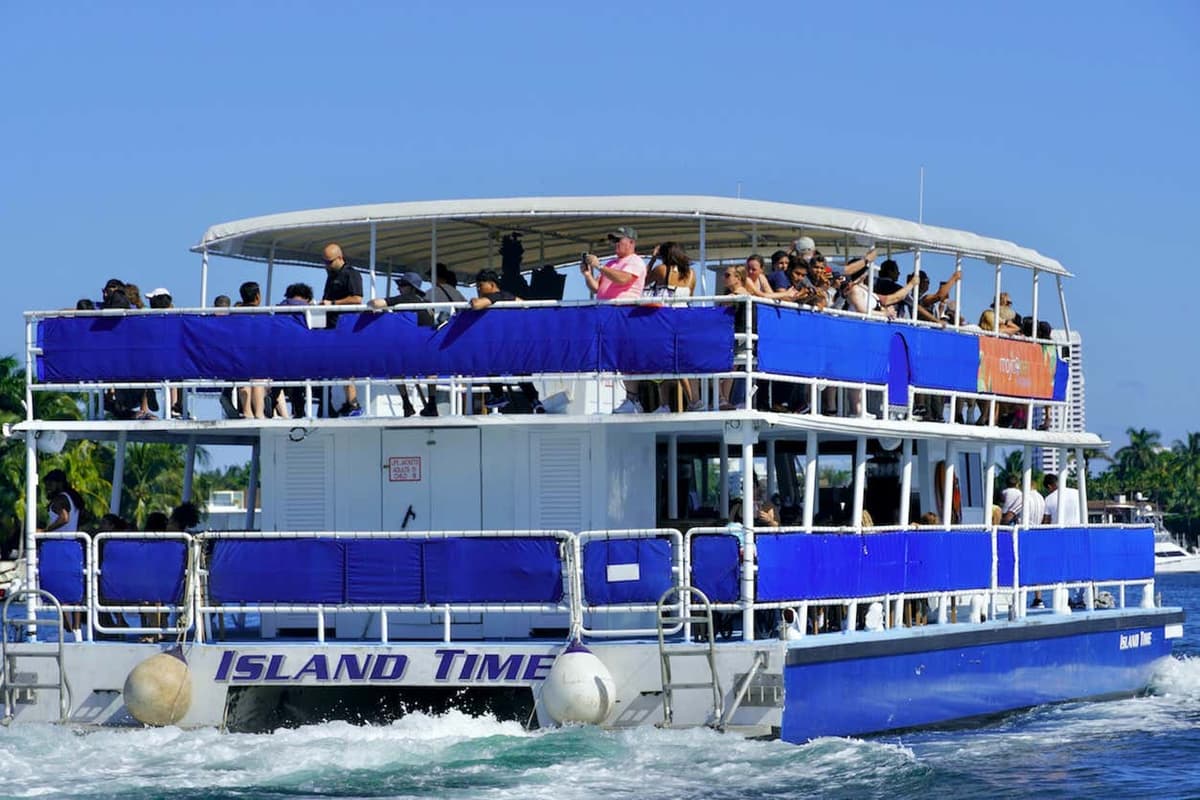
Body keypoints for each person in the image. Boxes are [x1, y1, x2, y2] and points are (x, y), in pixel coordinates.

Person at [581, 227, 648, 413]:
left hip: (625, 314)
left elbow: (623, 280)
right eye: (614, 241)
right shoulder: (612, 263)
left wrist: (599, 267)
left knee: (627, 356)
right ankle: (630, 399)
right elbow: (598, 288)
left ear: (631, 243)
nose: (616, 244)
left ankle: (634, 400)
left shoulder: (635, 261)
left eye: (620, 240)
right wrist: (587, 274)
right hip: (608, 314)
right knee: (618, 357)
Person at [470, 269, 544, 414]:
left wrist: (473, 301)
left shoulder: (494, 297)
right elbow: (525, 304)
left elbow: (477, 305)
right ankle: (535, 401)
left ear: (491, 284)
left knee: (490, 364)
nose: (478, 289)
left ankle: (498, 395)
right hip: (516, 343)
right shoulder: (510, 296)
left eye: (480, 285)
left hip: (501, 345)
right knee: (522, 375)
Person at [369, 272, 438, 417]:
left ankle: (406, 404)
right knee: (430, 370)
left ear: (411, 288)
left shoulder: (406, 299)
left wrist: (369, 305)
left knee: (393, 365)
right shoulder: (428, 304)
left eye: (402, 285)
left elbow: (377, 303)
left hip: (409, 350)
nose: (398, 288)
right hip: (427, 351)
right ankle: (432, 403)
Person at [646, 242, 700, 412]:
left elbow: (642, 279)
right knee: (683, 363)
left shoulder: (662, 270)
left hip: (664, 320)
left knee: (664, 363)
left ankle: (664, 404)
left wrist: (652, 258)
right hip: (684, 320)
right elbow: (689, 295)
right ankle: (694, 401)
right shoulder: (691, 274)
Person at [320, 242, 364, 416]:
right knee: (331, 366)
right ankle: (333, 404)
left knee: (346, 365)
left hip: (346, 326)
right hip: (330, 326)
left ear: (339, 258)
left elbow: (357, 298)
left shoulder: (351, 274)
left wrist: (333, 303)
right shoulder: (331, 275)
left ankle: (353, 403)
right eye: (324, 262)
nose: (326, 265)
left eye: (329, 262)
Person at [41, 469, 85, 636]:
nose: (48, 487)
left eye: (51, 483)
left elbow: (64, 517)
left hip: (59, 546)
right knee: (74, 590)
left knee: (60, 590)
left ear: (59, 482)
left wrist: (46, 531)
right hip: (73, 545)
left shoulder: (60, 499)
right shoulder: (73, 498)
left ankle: (69, 627)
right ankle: (77, 628)